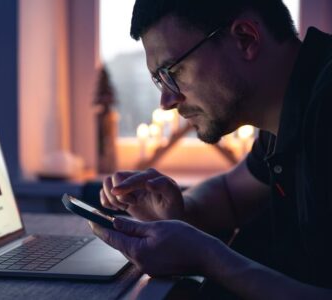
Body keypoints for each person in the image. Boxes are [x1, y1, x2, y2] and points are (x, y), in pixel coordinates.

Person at [89, 0, 332, 298]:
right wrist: (177, 211)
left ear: (245, 38)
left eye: (173, 72)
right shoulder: (285, 111)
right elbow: (231, 194)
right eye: (159, 80)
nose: (166, 102)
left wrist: (207, 257)